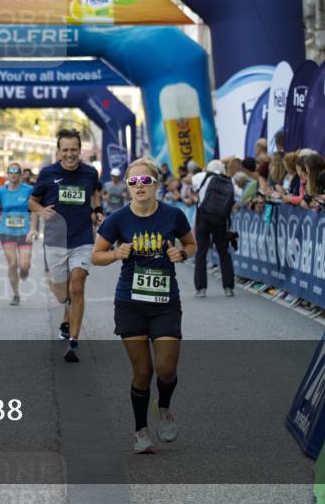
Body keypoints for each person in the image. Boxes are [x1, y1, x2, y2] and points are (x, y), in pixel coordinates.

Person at [92, 157, 196, 454]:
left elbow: (191, 244)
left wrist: (182, 254)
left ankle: (163, 406)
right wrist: (115, 254)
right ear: (127, 187)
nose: (139, 186)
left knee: (165, 369)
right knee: (142, 372)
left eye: (145, 181)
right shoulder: (118, 219)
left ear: (156, 184)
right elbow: (96, 255)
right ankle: (140, 430)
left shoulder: (173, 215)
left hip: (165, 302)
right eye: (133, 182)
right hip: (130, 303)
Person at [28, 129, 103, 363]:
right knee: (63, 295)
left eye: (74, 150)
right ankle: (65, 311)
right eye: (65, 150)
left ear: (80, 150)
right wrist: (40, 211)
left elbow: (96, 194)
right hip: (55, 241)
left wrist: (98, 212)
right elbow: (32, 201)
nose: (70, 154)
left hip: (82, 239)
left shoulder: (90, 173)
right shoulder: (48, 173)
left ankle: (73, 341)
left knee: (77, 285)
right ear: (58, 152)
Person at [0, 162, 37, 306]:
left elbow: (34, 210)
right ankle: (16, 294)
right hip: (7, 231)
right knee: (13, 263)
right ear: (7, 174)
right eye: (11, 172)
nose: (14, 174)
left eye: (16, 172)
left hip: (25, 231)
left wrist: (33, 228)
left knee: (24, 264)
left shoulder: (29, 190)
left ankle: (24, 271)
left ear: (21, 174)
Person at [190, 159, 236, 297]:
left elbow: (192, 187)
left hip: (203, 217)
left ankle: (201, 289)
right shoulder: (229, 181)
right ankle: (228, 287)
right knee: (223, 252)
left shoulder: (200, 177)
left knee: (201, 252)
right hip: (220, 220)